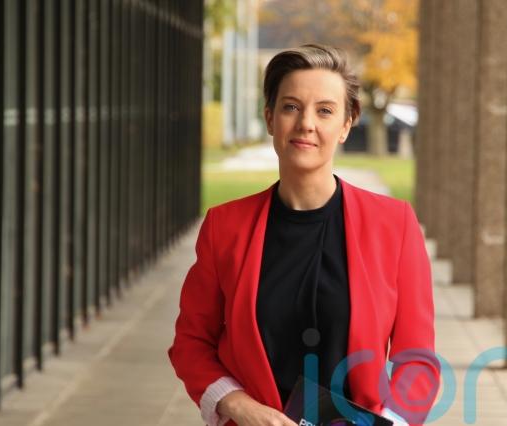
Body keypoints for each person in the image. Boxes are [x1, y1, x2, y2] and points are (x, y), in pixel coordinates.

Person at [168, 44, 440, 426]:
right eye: (291, 107)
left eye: (325, 110)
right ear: (269, 118)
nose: (306, 123)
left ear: (346, 125)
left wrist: (390, 422)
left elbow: (418, 359)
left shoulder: (395, 225)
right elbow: (191, 342)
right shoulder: (224, 227)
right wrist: (237, 405)